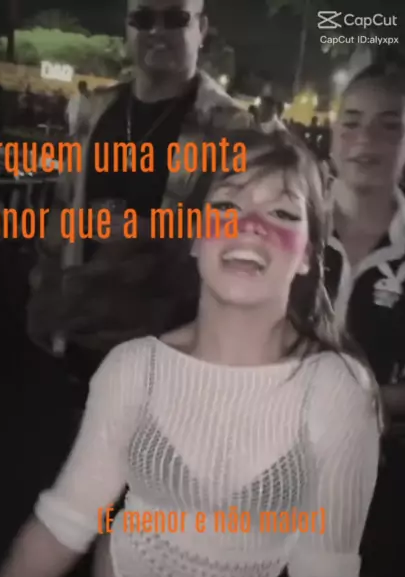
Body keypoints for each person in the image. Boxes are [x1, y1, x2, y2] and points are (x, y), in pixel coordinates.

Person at [0, 131, 380, 577]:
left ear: (308, 254)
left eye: (283, 213)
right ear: (196, 237)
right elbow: (63, 523)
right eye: (226, 205)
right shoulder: (136, 369)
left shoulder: (335, 390)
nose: (250, 225)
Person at [27, 0, 253, 366]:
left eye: (175, 18)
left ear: (201, 28)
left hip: (171, 354)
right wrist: (46, 298)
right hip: (76, 339)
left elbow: (241, 234)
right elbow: (61, 211)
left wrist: (153, 231)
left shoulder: (231, 128)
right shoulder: (94, 110)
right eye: (143, 18)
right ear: (127, 28)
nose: (156, 31)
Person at [326, 63, 405, 577]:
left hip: (383, 491)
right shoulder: (287, 223)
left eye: (389, 125)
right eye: (351, 122)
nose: (365, 140)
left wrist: (371, 401)